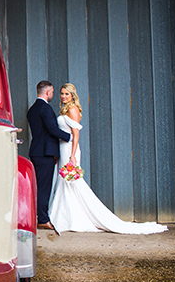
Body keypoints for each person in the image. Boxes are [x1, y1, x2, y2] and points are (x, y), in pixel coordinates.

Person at [49, 83, 167, 234]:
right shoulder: (65, 110)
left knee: (70, 182)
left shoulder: (73, 109)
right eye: (62, 93)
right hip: (62, 148)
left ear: (73, 96)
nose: (64, 96)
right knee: (63, 181)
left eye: (67, 94)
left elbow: (76, 134)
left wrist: (72, 155)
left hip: (70, 149)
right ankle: (64, 215)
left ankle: (72, 217)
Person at [27, 80, 71, 231]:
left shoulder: (32, 109)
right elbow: (52, 129)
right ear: (47, 92)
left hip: (36, 151)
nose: (53, 94)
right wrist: (70, 137)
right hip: (45, 153)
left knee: (37, 187)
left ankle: (36, 216)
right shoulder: (45, 108)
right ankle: (43, 219)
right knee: (44, 187)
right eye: (52, 92)